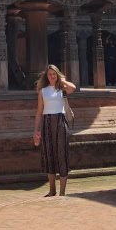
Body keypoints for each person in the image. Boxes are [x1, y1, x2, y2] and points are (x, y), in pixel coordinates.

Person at [33, 64, 76, 197]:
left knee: (61, 155)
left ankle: (62, 192)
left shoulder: (62, 89)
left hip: (60, 122)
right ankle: (52, 190)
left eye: (54, 74)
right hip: (47, 122)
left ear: (57, 75)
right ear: (46, 76)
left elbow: (73, 88)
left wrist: (61, 80)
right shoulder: (43, 91)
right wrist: (36, 130)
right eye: (49, 74)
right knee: (49, 154)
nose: (52, 76)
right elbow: (39, 112)